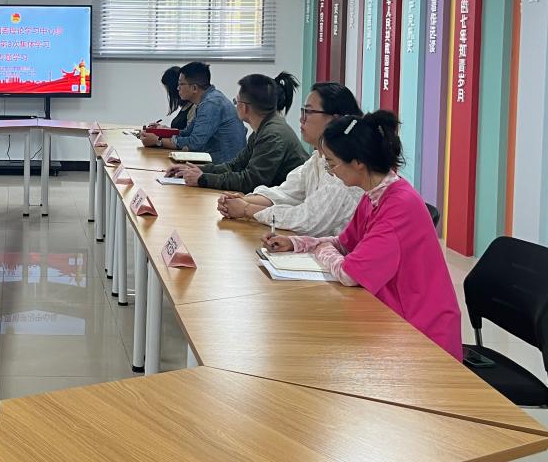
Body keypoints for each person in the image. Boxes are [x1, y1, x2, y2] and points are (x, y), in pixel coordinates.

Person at [263, 111, 463, 361]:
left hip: (422, 338)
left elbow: (350, 273)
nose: (331, 172)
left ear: (357, 162)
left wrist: (319, 249)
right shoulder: (375, 194)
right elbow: (343, 244)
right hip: (395, 320)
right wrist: (296, 243)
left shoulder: (398, 206)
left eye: (332, 163)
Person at [215, 82, 364, 236]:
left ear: (335, 119)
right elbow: (286, 193)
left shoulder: (346, 169)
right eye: (302, 111)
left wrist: (246, 209)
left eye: (308, 112)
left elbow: (307, 220)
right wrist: (243, 200)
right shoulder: (318, 159)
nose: (301, 119)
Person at [167, 72, 307, 191]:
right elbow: (235, 165)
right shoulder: (263, 129)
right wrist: (196, 170)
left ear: (244, 107)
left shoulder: (272, 135)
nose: (235, 106)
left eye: (236, 101)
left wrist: (203, 179)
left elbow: (250, 181)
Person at [138, 62, 245, 162]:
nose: (177, 88)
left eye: (181, 84)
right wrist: (162, 132)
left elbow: (194, 143)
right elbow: (187, 132)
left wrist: (158, 141)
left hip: (223, 168)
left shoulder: (211, 104)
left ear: (194, 88)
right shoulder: (207, 100)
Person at [147, 66, 191, 131]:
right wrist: (164, 128)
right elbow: (180, 131)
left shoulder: (194, 108)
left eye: (168, 89)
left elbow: (188, 135)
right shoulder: (185, 106)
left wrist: (163, 133)